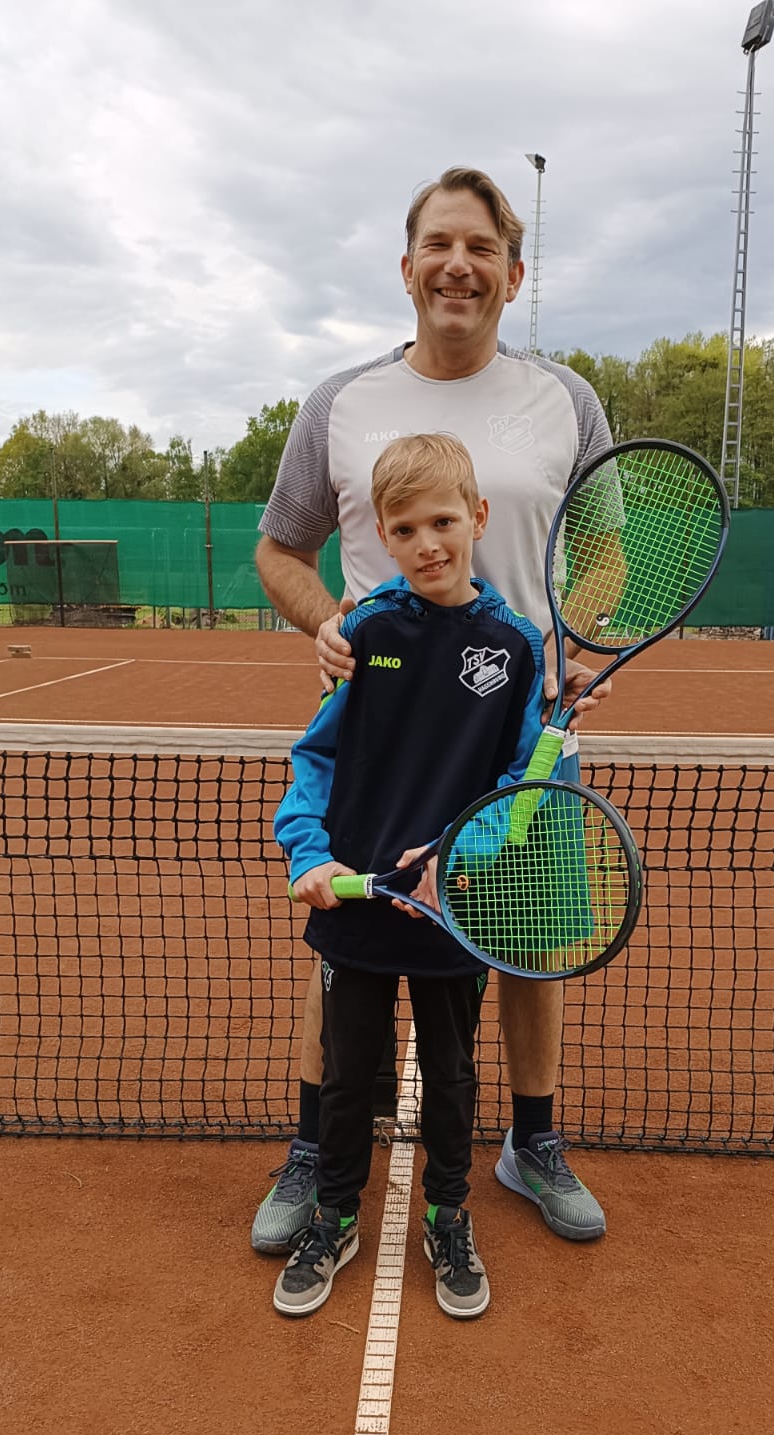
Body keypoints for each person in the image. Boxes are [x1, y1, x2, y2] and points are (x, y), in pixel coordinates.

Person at [253, 165, 614, 1255]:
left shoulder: (568, 400)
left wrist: (571, 637)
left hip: (521, 729)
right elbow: (280, 549)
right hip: (387, 730)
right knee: (348, 950)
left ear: (513, 271)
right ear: (408, 266)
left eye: (483, 247)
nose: (461, 264)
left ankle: (531, 1143)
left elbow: (603, 554)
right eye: (441, 244)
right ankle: (319, 1144)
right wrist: (323, 621)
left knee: (527, 943)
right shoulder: (342, 404)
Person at [271, 433, 550, 1318]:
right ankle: (334, 1214)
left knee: (454, 1072)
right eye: (405, 527)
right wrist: (309, 853)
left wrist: (453, 862)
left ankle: (448, 1211)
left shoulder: (514, 646)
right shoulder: (363, 631)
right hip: (355, 905)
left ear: (478, 518)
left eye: (442, 520)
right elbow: (315, 757)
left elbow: (521, 785)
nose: (427, 542)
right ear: (383, 538)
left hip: (452, 911)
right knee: (351, 1073)